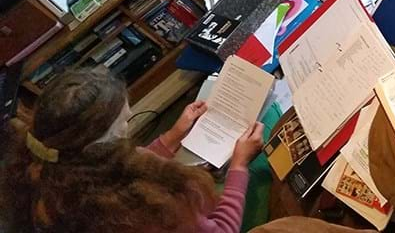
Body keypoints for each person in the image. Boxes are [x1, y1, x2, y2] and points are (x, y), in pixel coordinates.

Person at [0, 68, 264, 233]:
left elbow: (127, 165)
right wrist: (240, 165)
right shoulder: (141, 214)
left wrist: (172, 136)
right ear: (99, 151)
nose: (129, 123)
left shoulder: (50, 172)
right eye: (124, 122)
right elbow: (222, 229)